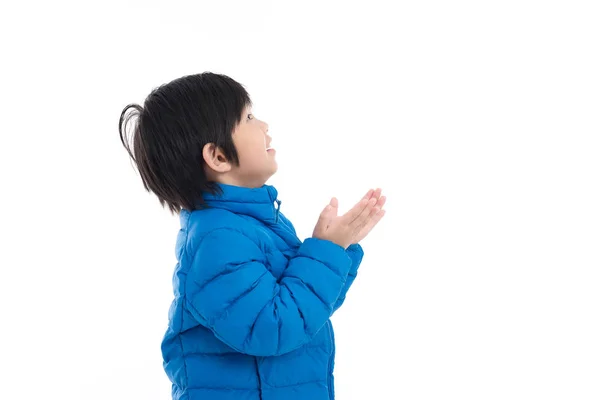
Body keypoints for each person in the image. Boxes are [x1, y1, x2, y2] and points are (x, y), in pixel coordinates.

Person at [118, 72, 386, 400]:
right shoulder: (217, 240)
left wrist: (336, 249)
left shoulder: (256, 224)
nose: (264, 125)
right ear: (218, 156)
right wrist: (327, 252)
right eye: (248, 117)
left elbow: (308, 313)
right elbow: (273, 327)